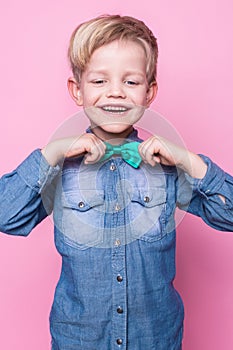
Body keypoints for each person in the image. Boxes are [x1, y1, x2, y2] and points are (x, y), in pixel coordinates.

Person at [0, 14, 233, 350]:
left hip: (156, 339)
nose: (115, 93)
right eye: (98, 81)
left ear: (149, 92)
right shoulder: (58, 169)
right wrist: (51, 153)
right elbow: (6, 215)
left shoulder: (167, 166)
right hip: (79, 340)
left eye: (131, 82)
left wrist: (189, 160)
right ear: (76, 90)